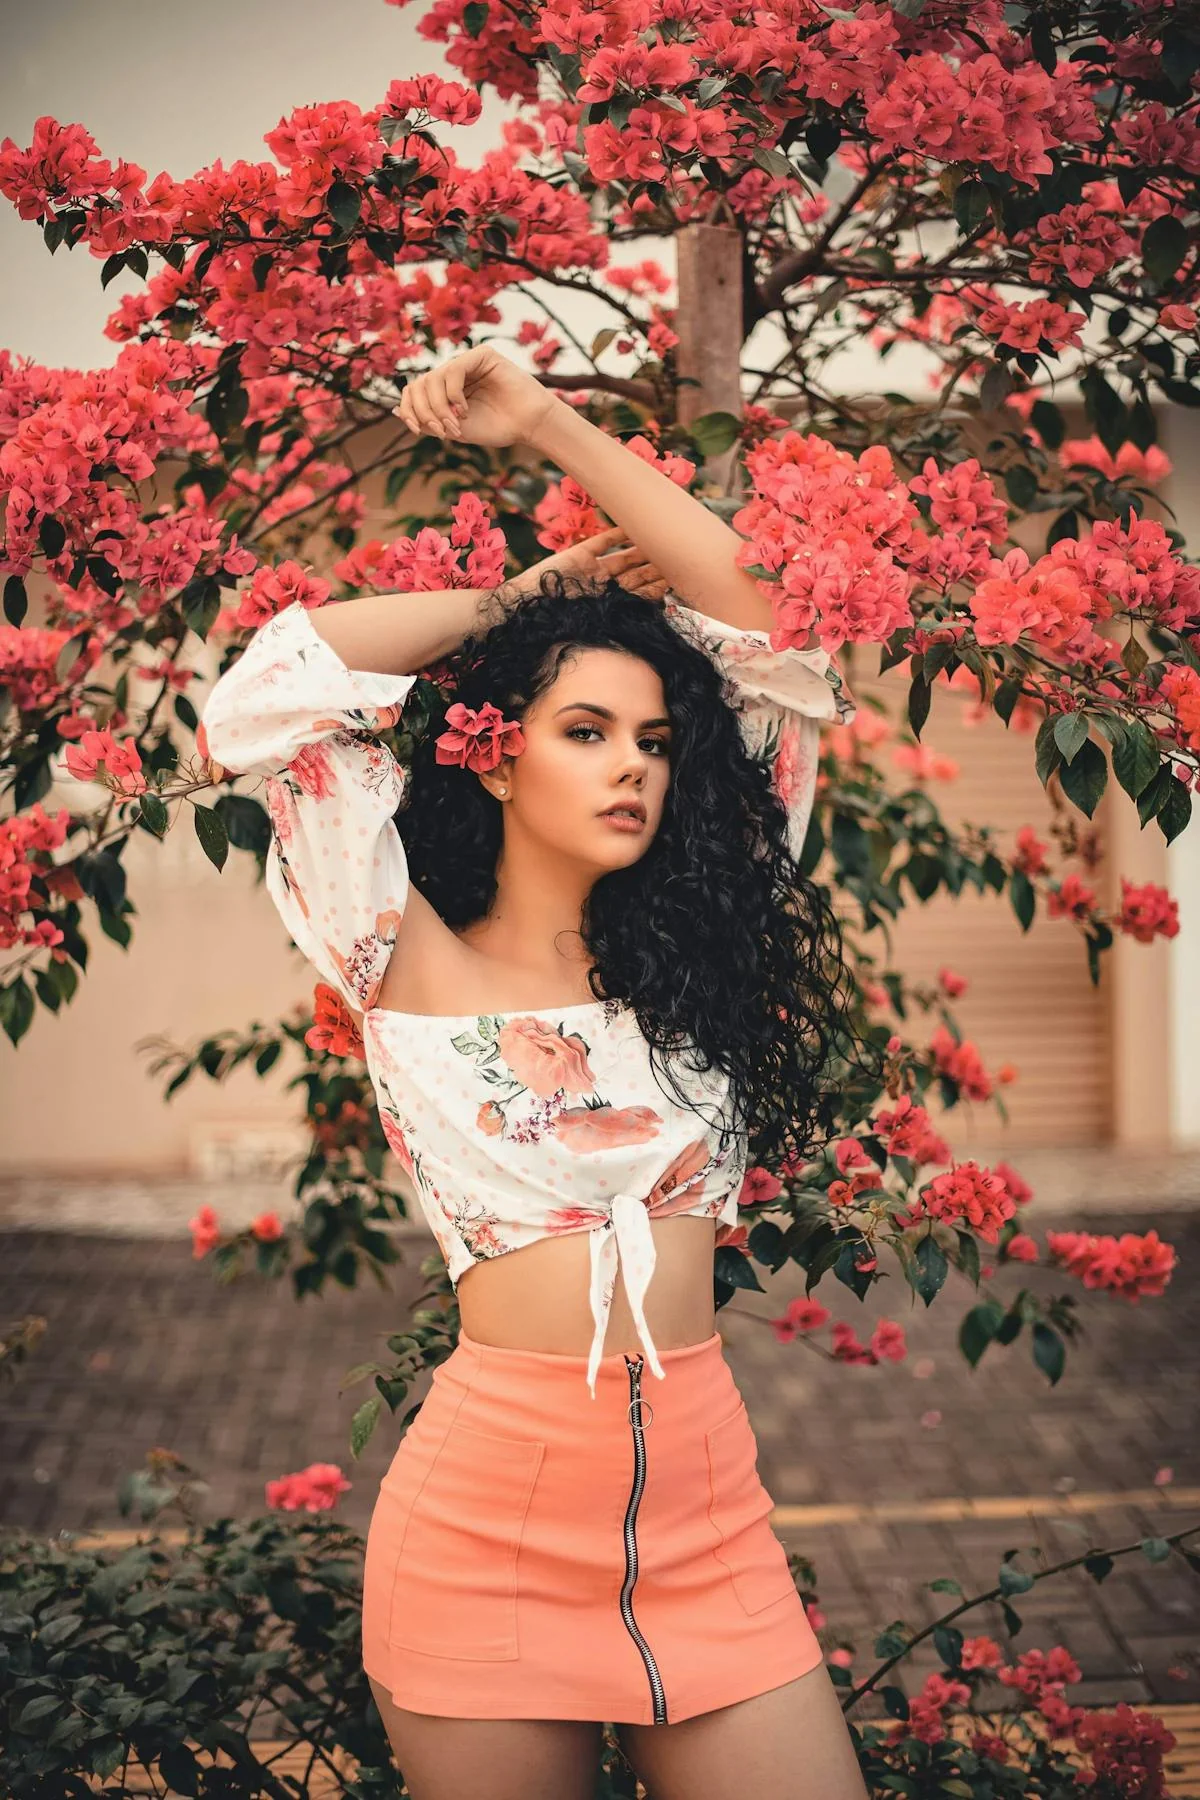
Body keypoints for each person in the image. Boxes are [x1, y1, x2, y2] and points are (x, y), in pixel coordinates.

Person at [200, 345, 870, 1800]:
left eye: (652, 741)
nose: (633, 765)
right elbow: (272, 690)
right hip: (489, 1540)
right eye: (584, 732)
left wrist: (554, 423)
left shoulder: (700, 965)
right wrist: (521, 610)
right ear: (498, 759)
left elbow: (770, 633)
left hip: (710, 1526)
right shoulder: (403, 957)